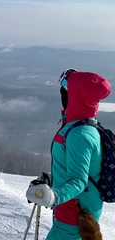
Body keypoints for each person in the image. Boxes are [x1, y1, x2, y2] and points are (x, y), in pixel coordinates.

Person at [26, 69, 111, 240]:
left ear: (75, 97)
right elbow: (82, 171)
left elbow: (79, 180)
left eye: (65, 90)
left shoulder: (79, 134)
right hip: (76, 214)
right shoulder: (81, 127)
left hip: (74, 217)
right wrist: (52, 180)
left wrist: (53, 195)